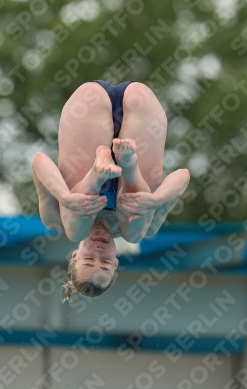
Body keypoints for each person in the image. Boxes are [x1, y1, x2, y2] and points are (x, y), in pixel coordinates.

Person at [32, 80, 190, 300]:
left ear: (74, 256)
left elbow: (39, 161)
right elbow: (183, 175)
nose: (98, 252)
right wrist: (156, 200)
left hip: (89, 108)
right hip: (141, 115)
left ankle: (97, 173)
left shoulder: (56, 220)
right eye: (105, 262)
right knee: (136, 234)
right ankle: (129, 166)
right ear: (116, 263)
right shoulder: (142, 226)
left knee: (75, 229)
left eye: (88, 260)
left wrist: (65, 197)